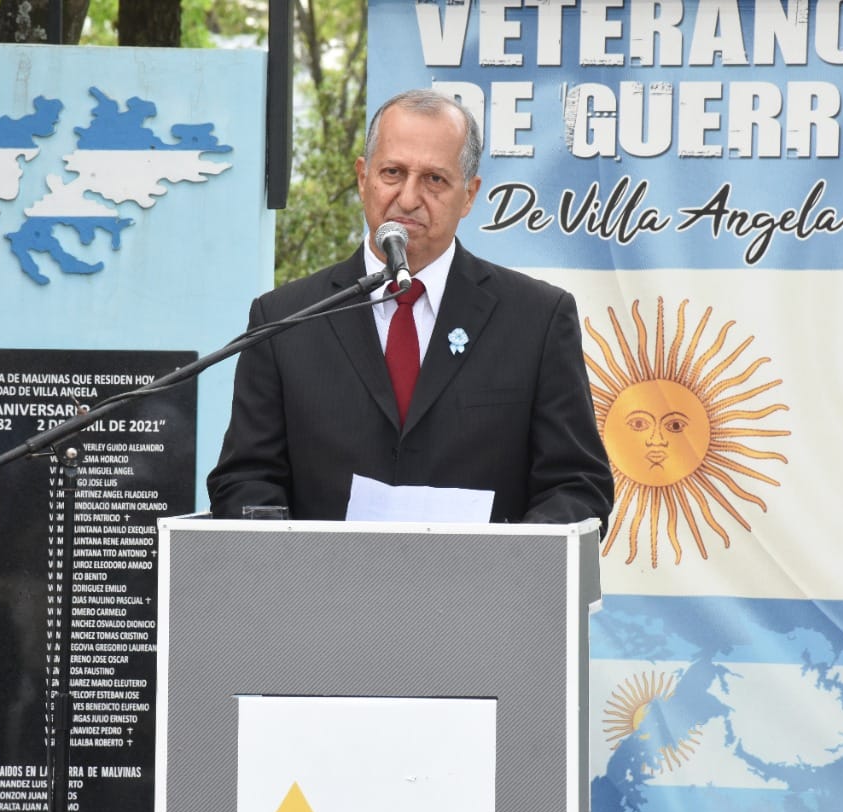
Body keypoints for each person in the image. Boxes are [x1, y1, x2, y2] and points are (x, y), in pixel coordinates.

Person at [207, 88, 613, 526]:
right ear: (363, 177)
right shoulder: (285, 320)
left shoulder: (537, 319)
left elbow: (576, 487)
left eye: (434, 179)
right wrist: (290, 555)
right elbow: (246, 479)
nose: (408, 198)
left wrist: (510, 558)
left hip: (484, 573)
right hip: (319, 572)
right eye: (393, 173)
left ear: (469, 195)